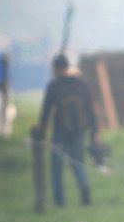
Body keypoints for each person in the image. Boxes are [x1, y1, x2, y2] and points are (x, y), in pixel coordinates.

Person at [37, 53, 98, 206]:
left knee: (57, 167)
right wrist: (95, 131)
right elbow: (90, 109)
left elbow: (46, 111)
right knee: (78, 163)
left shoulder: (54, 86)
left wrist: (41, 132)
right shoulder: (80, 84)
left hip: (60, 132)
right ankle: (84, 190)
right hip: (78, 131)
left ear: (55, 68)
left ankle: (59, 201)